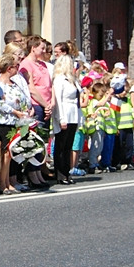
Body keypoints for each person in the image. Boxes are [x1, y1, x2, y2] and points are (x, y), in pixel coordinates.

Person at [0, 53, 36, 193]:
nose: (18, 68)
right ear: (9, 68)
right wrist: (15, 112)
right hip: (5, 122)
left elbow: (21, 99)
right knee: (5, 152)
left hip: (17, 121)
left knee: (11, 154)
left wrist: (26, 110)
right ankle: (2, 183)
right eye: (16, 66)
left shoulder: (14, 83)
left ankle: (8, 182)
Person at [51, 54, 81, 184]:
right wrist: (61, 118)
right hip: (65, 113)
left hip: (73, 113)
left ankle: (67, 171)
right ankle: (60, 173)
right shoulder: (59, 80)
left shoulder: (72, 80)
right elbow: (58, 99)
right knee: (61, 145)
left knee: (68, 145)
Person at [19, 35, 53, 125]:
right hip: (37, 104)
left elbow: (49, 84)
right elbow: (31, 88)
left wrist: (50, 105)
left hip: (47, 104)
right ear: (33, 48)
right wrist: (45, 105)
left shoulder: (43, 64)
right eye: (42, 48)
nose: (44, 51)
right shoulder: (26, 64)